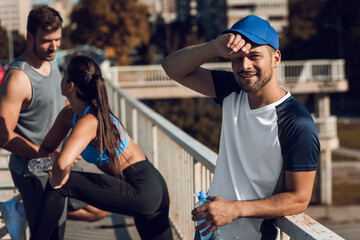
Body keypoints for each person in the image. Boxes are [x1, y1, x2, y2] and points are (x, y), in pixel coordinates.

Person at [162, 15, 320, 239]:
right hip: (209, 229)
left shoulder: (296, 122)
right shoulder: (232, 90)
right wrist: (214, 47)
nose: (244, 66)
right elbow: (171, 67)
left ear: (276, 59)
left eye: (255, 56)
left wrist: (235, 209)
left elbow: (299, 198)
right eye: (237, 58)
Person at [30, 55, 173, 240]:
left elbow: (61, 166)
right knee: (59, 184)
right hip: (152, 185)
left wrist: (59, 168)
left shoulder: (90, 120)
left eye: (64, 76)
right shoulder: (70, 115)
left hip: (140, 188)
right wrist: (55, 157)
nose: (61, 79)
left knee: (58, 188)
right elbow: (46, 148)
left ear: (70, 86)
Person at [0, 6, 107, 239]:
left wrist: (72, 146)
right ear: (30, 36)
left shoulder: (52, 61)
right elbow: (4, 136)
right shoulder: (18, 78)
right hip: (34, 169)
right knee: (52, 235)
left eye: (58, 39)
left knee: (99, 208)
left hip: (59, 159)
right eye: (48, 40)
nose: (54, 46)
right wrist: (45, 156)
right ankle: (31, 211)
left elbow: (63, 109)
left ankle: (25, 212)